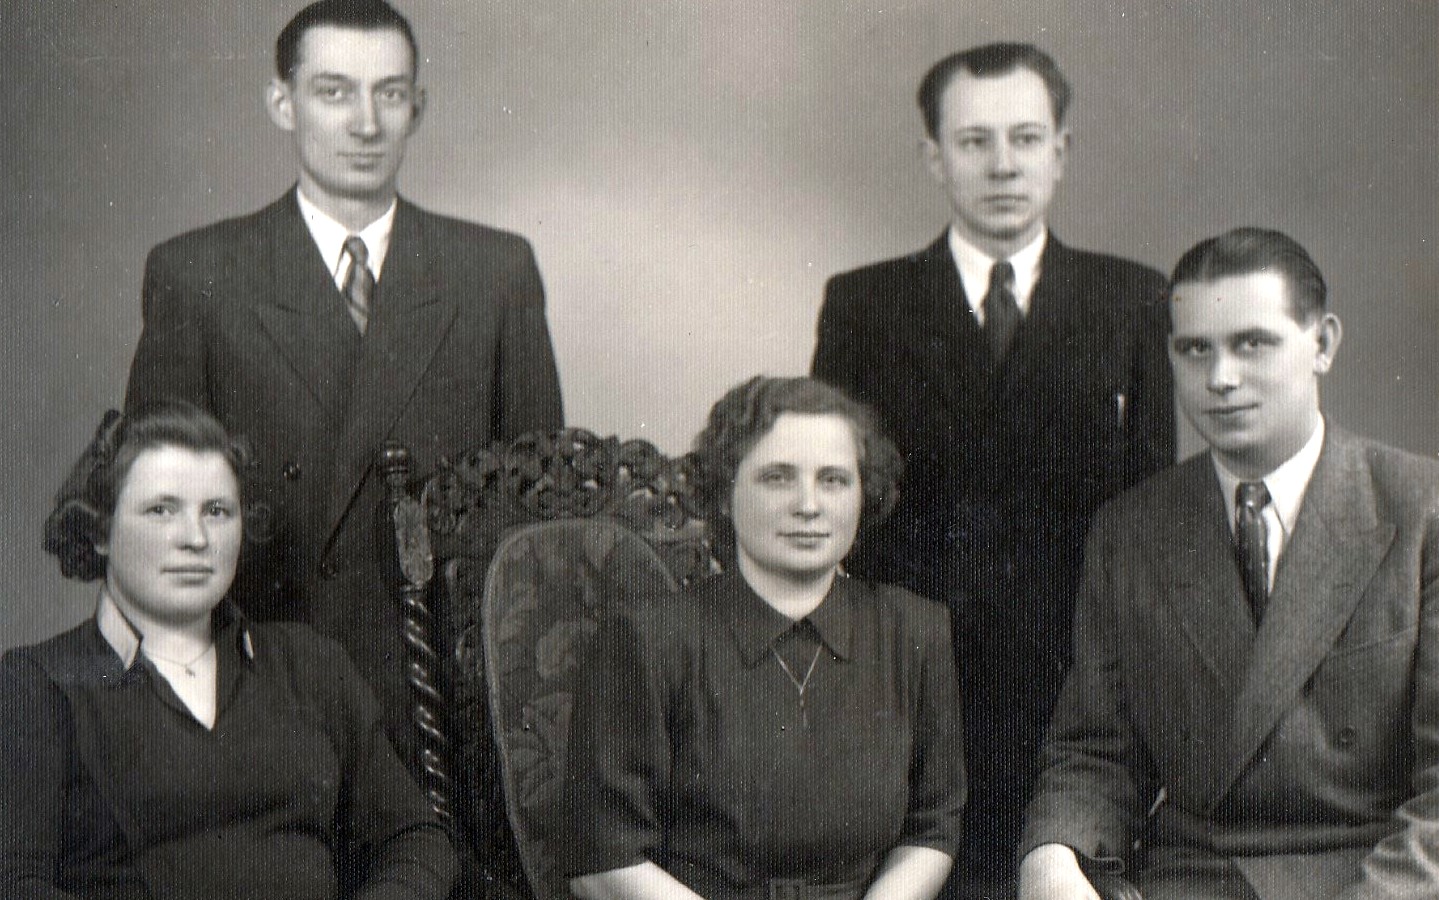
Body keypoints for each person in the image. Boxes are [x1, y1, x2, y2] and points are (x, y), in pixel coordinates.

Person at [122, 0, 564, 768]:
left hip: (445, 702)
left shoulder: (493, 272)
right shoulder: (199, 274)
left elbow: (539, 520)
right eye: (334, 92)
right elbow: (154, 522)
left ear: (417, 107)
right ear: (281, 102)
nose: (365, 123)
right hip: (263, 689)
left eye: (389, 93)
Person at [811, 42, 1175, 894]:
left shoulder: (1131, 298)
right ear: (934, 157)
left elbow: (1149, 504)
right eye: (974, 141)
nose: (1002, 164)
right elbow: (837, 500)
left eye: (1025, 138)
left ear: (1061, 151)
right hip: (911, 679)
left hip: (1075, 680)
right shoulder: (865, 303)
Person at [1017, 228, 1439, 900]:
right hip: (1191, 879)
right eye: (1195, 349)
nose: (1220, 378)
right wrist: (1052, 855)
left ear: (1322, 343)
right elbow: (1096, 753)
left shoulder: (1421, 510)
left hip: (1374, 875)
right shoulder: (1130, 531)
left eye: (1252, 343)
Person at [0, 401, 456, 899]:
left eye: (217, 511)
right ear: (100, 530)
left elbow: (417, 839)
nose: (196, 539)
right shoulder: (41, 685)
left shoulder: (309, 664)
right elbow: (15, 882)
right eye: (161, 510)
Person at [563, 376, 966, 900]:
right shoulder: (648, 639)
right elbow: (603, 862)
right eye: (777, 478)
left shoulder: (914, 630)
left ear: (863, 495)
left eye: (834, 480)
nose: (809, 505)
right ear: (724, 494)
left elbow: (933, 826)